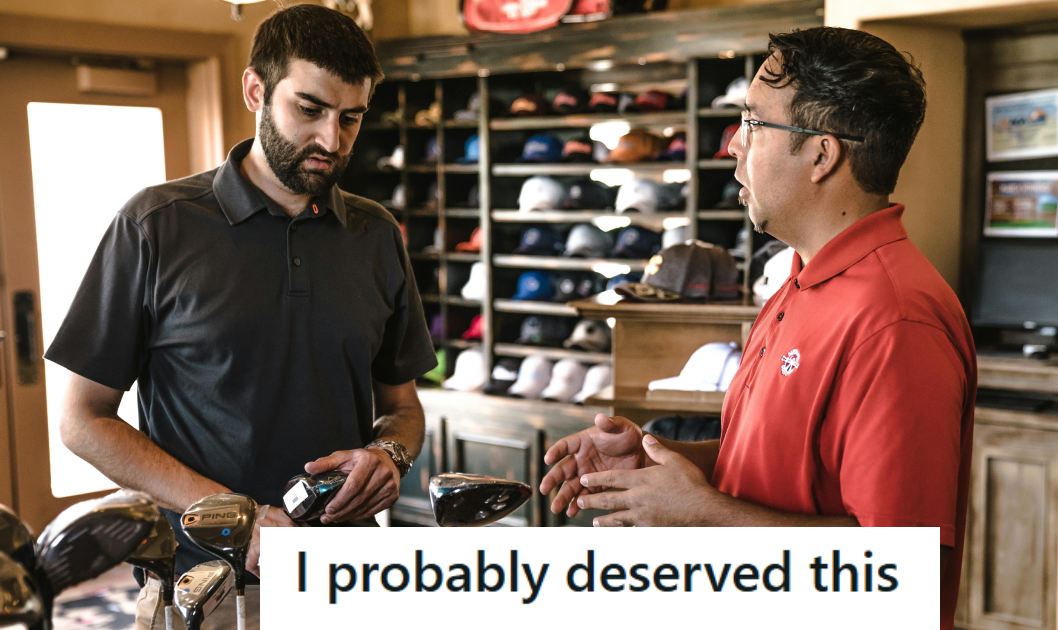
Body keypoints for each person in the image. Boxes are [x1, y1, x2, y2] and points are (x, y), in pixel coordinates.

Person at [540, 26, 975, 630]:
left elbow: (903, 574)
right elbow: (775, 465)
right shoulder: (801, 280)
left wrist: (703, 517)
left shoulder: (896, 320)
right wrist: (654, 460)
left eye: (753, 124)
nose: (733, 148)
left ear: (822, 155)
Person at [44, 5, 435, 628]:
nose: (332, 141)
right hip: (205, 587)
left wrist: (390, 454)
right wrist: (237, 515)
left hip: (349, 585)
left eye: (351, 118)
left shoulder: (376, 235)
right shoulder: (154, 225)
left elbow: (403, 407)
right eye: (309, 110)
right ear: (256, 90)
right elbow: (81, 421)